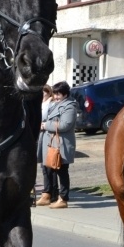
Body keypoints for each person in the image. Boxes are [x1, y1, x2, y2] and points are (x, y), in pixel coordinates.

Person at [37, 81, 77, 209]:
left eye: (58, 94)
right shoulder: (55, 105)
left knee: (61, 171)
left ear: (65, 94)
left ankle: (63, 198)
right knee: (47, 169)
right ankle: (47, 194)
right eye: (55, 94)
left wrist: (45, 125)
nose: (56, 96)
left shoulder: (69, 107)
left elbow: (65, 125)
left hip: (61, 144)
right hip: (50, 142)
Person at [36, 84, 55, 206]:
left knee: (48, 164)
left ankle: (48, 192)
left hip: (47, 135)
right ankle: (48, 191)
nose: (43, 93)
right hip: (40, 135)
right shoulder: (41, 103)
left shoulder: (50, 104)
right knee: (44, 165)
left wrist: (43, 124)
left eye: (45, 91)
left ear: (49, 92)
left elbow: (48, 119)